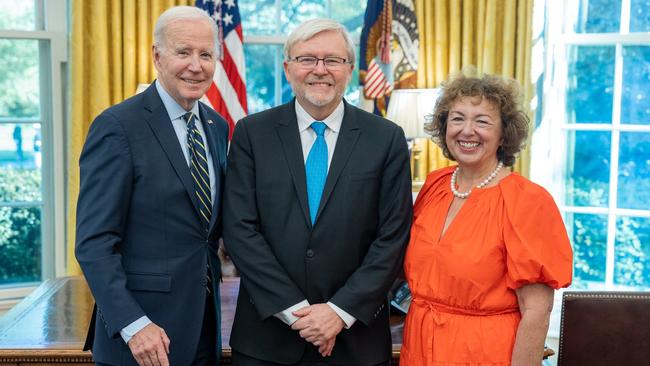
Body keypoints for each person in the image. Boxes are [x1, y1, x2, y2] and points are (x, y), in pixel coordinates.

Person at [223, 18, 413, 366]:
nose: (319, 70)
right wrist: (297, 313)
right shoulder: (252, 134)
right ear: (287, 67)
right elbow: (239, 229)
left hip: (357, 343)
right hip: (267, 341)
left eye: (332, 60)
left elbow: (393, 237)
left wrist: (339, 313)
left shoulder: (386, 139)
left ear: (350, 68)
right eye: (307, 59)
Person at [75, 6, 228, 366]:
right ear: (157, 56)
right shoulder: (117, 126)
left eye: (206, 54)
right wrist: (133, 324)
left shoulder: (216, 126)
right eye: (183, 52)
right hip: (141, 341)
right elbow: (94, 243)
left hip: (204, 330)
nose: (196, 65)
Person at [400, 71, 573, 365]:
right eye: (457, 118)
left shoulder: (527, 201)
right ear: (444, 127)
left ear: (504, 133)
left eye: (482, 121)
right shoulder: (435, 185)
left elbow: (536, 312)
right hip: (418, 349)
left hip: (483, 353)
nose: (467, 131)